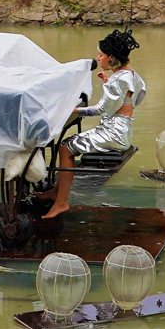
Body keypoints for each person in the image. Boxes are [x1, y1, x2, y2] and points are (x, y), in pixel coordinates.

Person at [44, 29, 143, 220]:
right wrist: (108, 82)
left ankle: (61, 202)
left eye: (101, 55)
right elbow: (131, 98)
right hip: (122, 129)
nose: (98, 58)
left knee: (65, 149)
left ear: (111, 57)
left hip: (113, 133)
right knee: (68, 142)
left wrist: (71, 110)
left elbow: (100, 110)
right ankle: (57, 192)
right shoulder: (130, 74)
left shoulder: (118, 82)